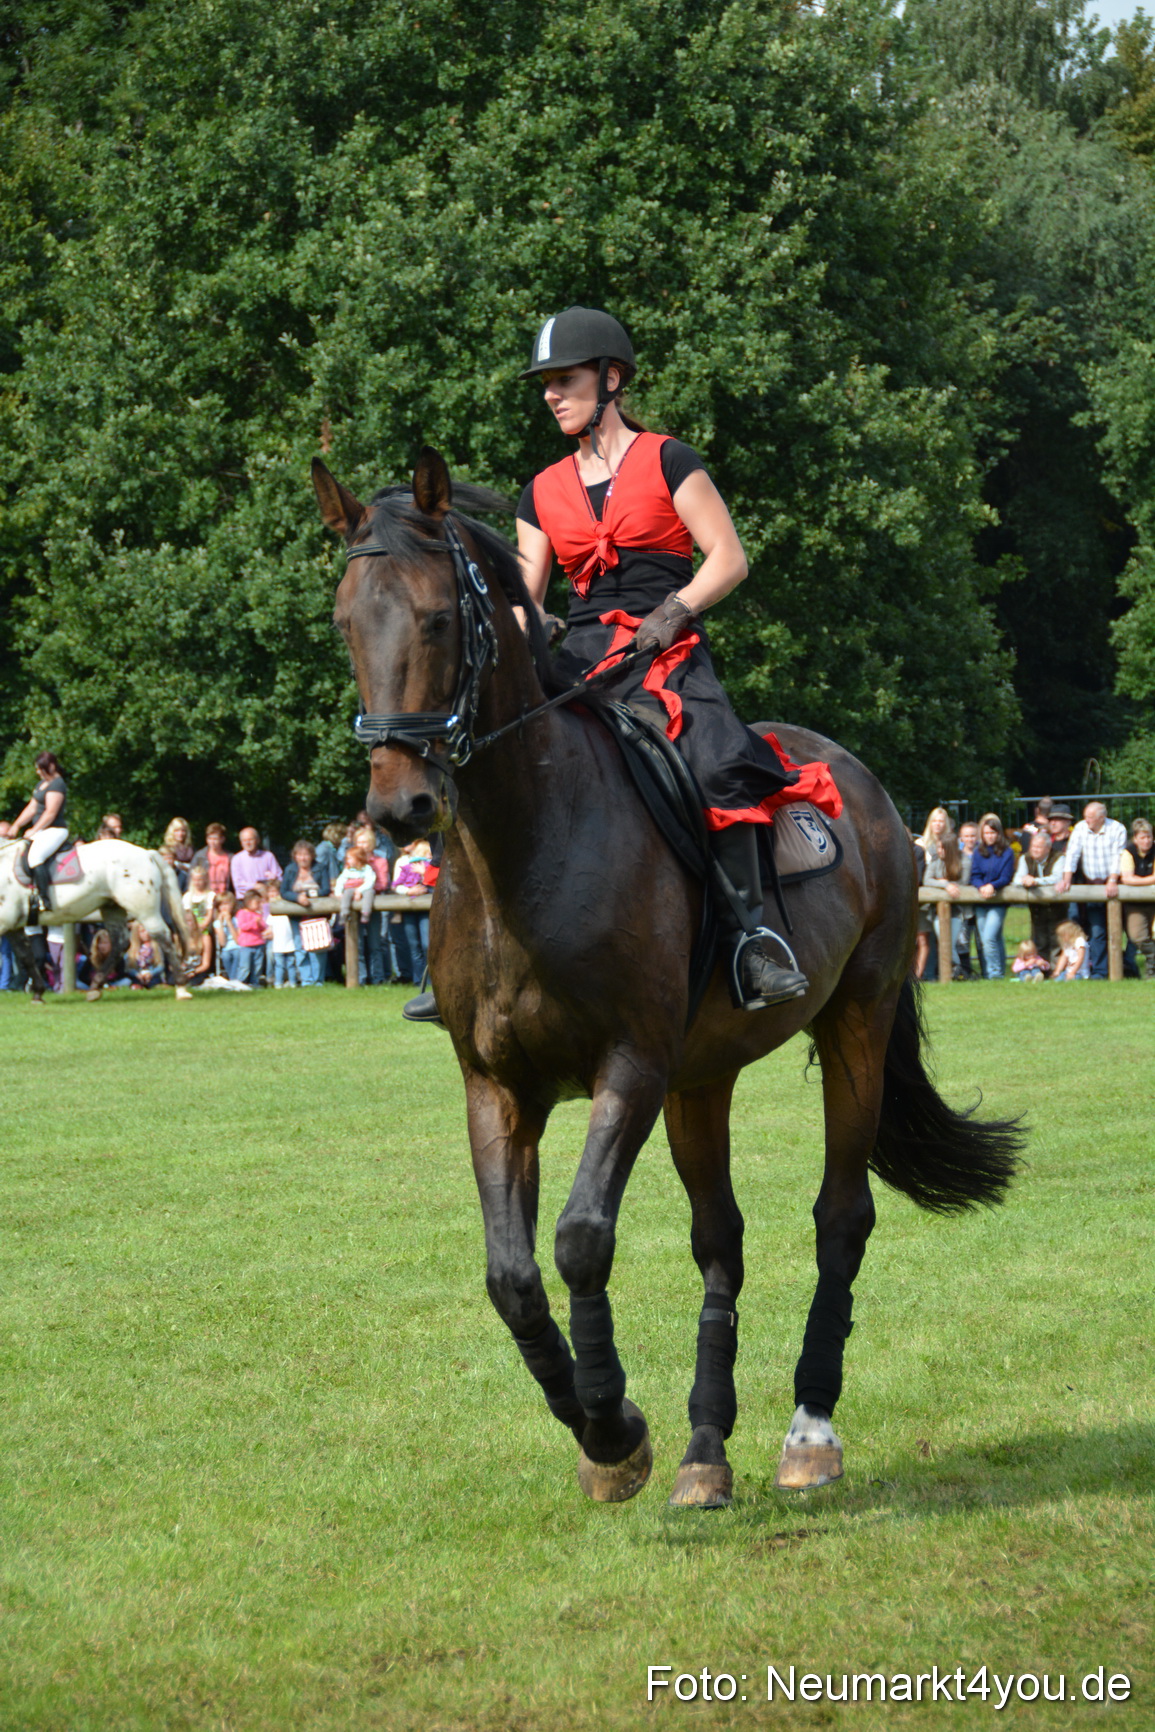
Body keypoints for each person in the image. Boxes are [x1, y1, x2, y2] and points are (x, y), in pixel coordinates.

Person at [507, 305, 807, 1014]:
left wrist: (672, 613)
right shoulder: (539, 490)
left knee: (716, 760)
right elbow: (525, 594)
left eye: (565, 379)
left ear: (611, 379)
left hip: (664, 650)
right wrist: (533, 623)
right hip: (581, 655)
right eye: (545, 383)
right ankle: (460, 954)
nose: (550, 394)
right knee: (499, 759)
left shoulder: (669, 458)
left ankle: (751, 941)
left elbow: (729, 559)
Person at [1055, 801, 1127, 979]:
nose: (1086, 821)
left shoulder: (1117, 829)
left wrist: (1112, 880)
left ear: (1102, 818)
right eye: (1085, 817)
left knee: (1098, 930)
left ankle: (1100, 971)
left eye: (1091, 818)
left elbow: (1118, 857)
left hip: (1106, 883)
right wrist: (1066, 880)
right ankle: (1078, 968)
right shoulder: (1080, 828)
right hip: (1086, 883)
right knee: (1079, 926)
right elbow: (1072, 854)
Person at [7, 750, 70, 914]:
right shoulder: (41, 784)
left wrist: (34, 829)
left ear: (51, 766)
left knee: (36, 857)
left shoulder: (57, 784)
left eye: (40, 769)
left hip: (54, 830)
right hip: (42, 831)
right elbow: (32, 808)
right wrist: (16, 825)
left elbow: (50, 813)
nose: (37, 772)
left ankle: (44, 899)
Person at [1013, 825, 1067, 970]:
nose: (1034, 850)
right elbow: (1017, 879)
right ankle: (1042, 970)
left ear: (1048, 848)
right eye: (1033, 846)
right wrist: (1026, 880)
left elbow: (1057, 878)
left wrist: (1035, 881)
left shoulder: (1059, 857)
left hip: (1057, 906)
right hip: (1037, 908)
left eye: (1039, 847)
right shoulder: (1025, 858)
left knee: (1057, 939)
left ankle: (1056, 971)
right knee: (1040, 939)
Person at [969, 813, 1015, 978]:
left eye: (993, 833)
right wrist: (981, 886)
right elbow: (974, 875)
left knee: (989, 937)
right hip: (981, 901)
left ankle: (993, 973)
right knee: (988, 938)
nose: (989, 836)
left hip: (998, 902)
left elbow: (1006, 876)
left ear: (999, 833)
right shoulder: (978, 852)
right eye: (987, 833)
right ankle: (998, 970)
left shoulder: (1007, 852)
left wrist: (992, 886)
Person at [919, 806, 961, 981]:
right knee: (924, 939)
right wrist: (944, 883)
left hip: (949, 903)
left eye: (941, 821)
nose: (937, 824)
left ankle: (948, 972)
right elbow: (926, 876)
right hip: (925, 900)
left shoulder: (953, 848)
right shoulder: (921, 845)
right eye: (934, 820)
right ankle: (928, 974)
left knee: (944, 940)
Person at [282, 840, 331, 985]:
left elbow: (325, 889)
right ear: (295, 856)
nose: (303, 858)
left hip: (316, 915)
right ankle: (306, 980)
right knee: (300, 948)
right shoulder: (290, 869)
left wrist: (308, 895)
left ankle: (318, 980)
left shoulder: (320, 868)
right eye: (300, 855)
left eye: (306, 855)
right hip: (297, 916)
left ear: (312, 855)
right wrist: (297, 898)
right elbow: (284, 891)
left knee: (318, 948)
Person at [1119, 816, 1155, 978]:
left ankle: (1151, 972)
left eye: (1149, 837)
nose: (1146, 841)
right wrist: (1148, 881)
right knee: (1136, 935)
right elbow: (1126, 878)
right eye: (1143, 837)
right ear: (1135, 838)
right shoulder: (1128, 852)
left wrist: (1136, 881)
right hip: (1134, 904)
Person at [953, 821, 981, 978]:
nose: (970, 839)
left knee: (981, 940)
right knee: (962, 939)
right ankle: (965, 970)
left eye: (973, 836)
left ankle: (986, 971)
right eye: (966, 836)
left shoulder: (982, 852)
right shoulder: (957, 856)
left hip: (981, 901)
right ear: (961, 838)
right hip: (963, 906)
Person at [230, 827, 280, 901]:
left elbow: (279, 878)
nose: (248, 843)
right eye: (244, 840)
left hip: (266, 899)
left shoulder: (268, 856)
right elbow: (238, 885)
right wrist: (256, 886)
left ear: (257, 840)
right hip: (245, 900)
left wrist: (271, 884)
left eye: (250, 839)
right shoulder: (237, 859)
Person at [233, 887, 269, 987]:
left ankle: (255, 982)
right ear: (249, 902)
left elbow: (263, 927)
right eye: (257, 903)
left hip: (258, 943)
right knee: (245, 966)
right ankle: (241, 982)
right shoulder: (242, 913)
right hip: (246, 945)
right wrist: (254, 922)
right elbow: (243, 926)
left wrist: (260, 923)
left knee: (257, 965)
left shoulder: (258, 914)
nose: (259, 905)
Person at [192, 823, 233, 897]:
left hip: (224, 897)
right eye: (210, 838)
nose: (212, 842)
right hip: (205, 896)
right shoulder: (200, 856)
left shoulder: (230, 857)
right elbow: (191, 878)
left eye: (215, 839)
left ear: (222, 839)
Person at [125, 921, 165, 989]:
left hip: (152, 975)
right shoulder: (132, 950)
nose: (146, 933)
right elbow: (128, 968)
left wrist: (151, 973)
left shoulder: (155, 947)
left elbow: (160, 965)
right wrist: (136, 974)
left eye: (147, 930)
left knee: (155, 984)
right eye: (142, 931)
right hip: (137, 975)